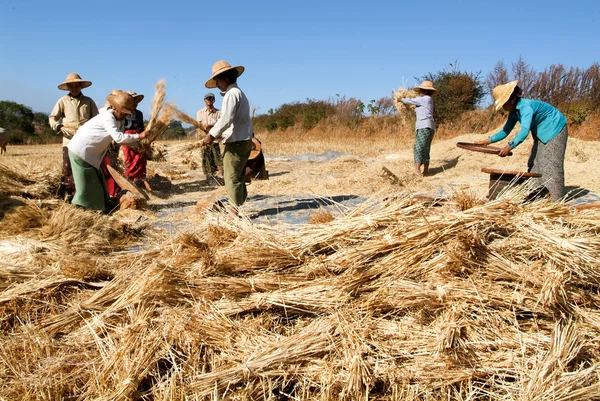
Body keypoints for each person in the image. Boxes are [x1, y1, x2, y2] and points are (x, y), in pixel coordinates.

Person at [474, 80, 568, 201]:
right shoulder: (514, 113)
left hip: (555, 129)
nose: (503, 107)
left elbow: (524, 132)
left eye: (503, 103)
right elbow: (505, 131)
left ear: (511, 99)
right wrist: (486, 141)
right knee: (534, 163)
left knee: (551, 164)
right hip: (541, 132)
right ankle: (538, 198)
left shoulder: (525, 108)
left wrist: (509, 147)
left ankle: (555, 200)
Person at [67, 92, 146, 212]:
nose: (125, 116)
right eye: (123, 113)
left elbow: (121, 140)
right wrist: (139, 136)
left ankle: (100, 207)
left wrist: (141, 145)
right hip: (80, 151)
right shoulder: (107, 117)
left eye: (127, 114)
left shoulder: (118, 120)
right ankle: (76, 210)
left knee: (99, 182)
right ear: (115, 108)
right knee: (85, 185)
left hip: (91, 155)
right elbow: (119, 137)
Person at [202, 60, 253, 207]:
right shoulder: (238, 93)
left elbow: (226, 119)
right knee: (238, 174)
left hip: (236, 141)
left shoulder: (232, 94)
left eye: (218, 80)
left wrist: (211, 135)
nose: (217, 84)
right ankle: (239, 203)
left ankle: (234, 210)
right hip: (243, 139)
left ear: (226, 78)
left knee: (231, 177)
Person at [49, 73, 99, 200]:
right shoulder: (63, 101)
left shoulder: (89, 101)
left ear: (80, 86)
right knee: (67, 168)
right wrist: (58, 126)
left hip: (85, 141)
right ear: (68, 87)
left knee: (84, 167)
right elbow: (52, 117)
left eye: (76, 86)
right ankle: (68, 194)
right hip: (68, 140)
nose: (74, 88)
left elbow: (97, 120)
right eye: (71, 86)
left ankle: (83, 195)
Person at [400, 80, 437, 176]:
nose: (420, 91)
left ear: (425, 91)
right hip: (429, 126)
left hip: (424, 126)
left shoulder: (425, 99)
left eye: (422, 90)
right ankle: (425, 170)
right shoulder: (428, 100)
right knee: (425, 148)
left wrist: (401, 99)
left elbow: (410, 101)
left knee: (418, 147)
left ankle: (417, 170)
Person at [121, 91, 148, 184]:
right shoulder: (123, 113)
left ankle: (139, 178)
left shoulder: (139, 114)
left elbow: (141, 128)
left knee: (140, 158)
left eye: (136, 101)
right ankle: (129, 177)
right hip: (127, 138)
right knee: (129, 158)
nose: (135, 104)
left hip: (139, 138)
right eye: (133, 101)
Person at [197, 92, 223, 180]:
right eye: (208, 98)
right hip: (204, 139)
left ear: (214, 100)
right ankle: (207, 177)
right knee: (205, 159)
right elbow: (200, 126)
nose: (210, 100)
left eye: (211, 98)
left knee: (218, 158)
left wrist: (210, 126)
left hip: (215, 139)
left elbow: (220, 125)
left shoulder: (219, 112)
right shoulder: (200, 113)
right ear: (205, 100)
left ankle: (221, 175)